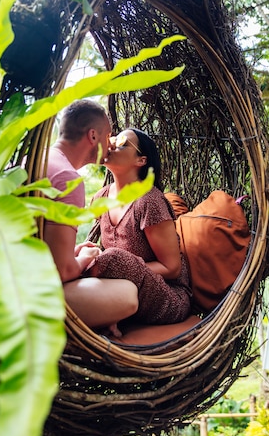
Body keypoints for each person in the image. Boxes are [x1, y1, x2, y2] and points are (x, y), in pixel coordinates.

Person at [43, 99, 139, 330]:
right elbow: (62, 271)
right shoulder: (68, 179)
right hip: (30, 293)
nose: (111, 146)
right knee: (127, 294)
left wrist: (73, 252)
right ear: (93, 136)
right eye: (109, 137)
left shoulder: (38, 159)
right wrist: (85, 258)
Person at [86, 128, 192, 328]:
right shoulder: (100, 199)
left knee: (111, 258)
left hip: (167, 295)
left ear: (141, 161)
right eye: (114, 139)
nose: (113, 144)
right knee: (86, 253)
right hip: (122, 290)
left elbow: (172, 268)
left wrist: (123, 269)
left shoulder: (149, 201)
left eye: (123, 142)